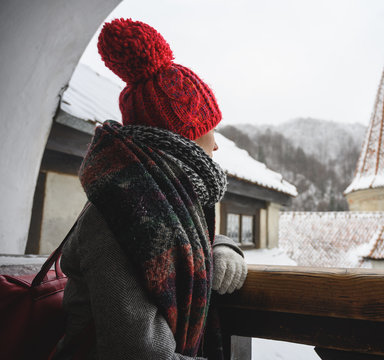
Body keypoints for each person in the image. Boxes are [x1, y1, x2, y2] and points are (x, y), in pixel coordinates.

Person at [53, 18, 247, 360]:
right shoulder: (121, 213)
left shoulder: (158, 201)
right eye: (209, 127)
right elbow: (139, 352)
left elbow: (186, 239)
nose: (215, 145)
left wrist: (224, 246)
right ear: (182, 134)